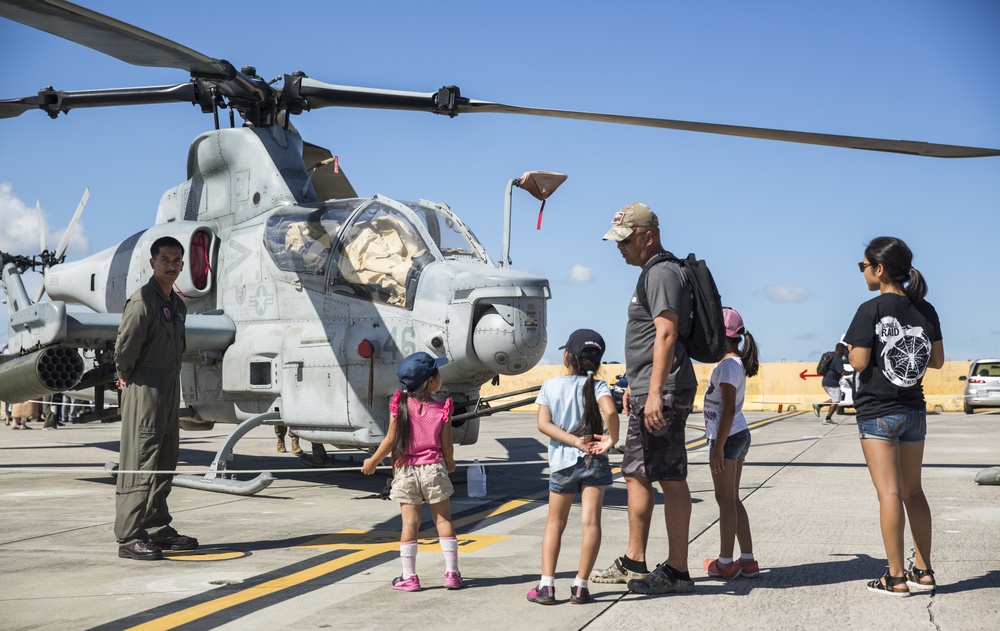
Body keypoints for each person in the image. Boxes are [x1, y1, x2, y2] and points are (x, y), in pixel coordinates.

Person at [593, 203, 697, 595]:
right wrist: (637, 391)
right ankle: (635, 560)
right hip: (649, 391)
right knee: (636, 472)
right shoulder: (651, 275)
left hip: (665, 391)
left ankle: (677, 571)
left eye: (625, 240)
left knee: (669, 477)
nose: (619, 247)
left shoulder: (663, 273)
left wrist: (653, 393)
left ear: (648, 236)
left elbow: (666, 335)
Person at [845, 236, 942, 597]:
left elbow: (858, 362)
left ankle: (896, 577)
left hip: (877, 413)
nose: (863, 272)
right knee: (913, 491)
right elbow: (937, 360)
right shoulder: (926, 309)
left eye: (863, 266)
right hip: (914, 410)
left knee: (888, 493)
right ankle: (925, 571)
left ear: (879, 268)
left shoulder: (869, 309)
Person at [113, 236, 199, 561]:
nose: (172, 265)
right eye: (166, 259)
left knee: (165, 459)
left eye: (177, 260)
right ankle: (129, 535)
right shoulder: (142, 301)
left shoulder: (177, 304)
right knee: (141, 458)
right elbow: (125, 349)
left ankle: (156, 527)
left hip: (168, 386)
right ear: (153, 263)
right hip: (145, 386)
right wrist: (126, 374)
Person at [526, 329, 620, 605]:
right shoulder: (599, 387)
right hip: (595, 459)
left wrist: (573, 442)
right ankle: (580, 586)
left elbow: (544, 424)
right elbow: (611, 413)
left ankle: (547, 586)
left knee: (555, 524)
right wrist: (611, 440)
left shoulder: (550, 386)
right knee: (591, 523)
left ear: (567, 356)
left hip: (562, 463)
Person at [361, 351, 463, 591]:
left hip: (405, 470)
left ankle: (409, 576)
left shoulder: (399, 404)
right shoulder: (442, 409)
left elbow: (390, 439)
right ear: (430, 381)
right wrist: (450, 463)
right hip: (434, 469)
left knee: (409, 524)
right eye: (437, 373)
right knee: (444, 520)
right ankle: (451, 574)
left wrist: (373, 461)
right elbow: (446, 444)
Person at [701, 308, 761, 580]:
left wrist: (717, 446)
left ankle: (725, 563)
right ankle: (747, 560)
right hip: (738, 434)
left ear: (721, 336)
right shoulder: (734, 363)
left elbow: (727, 411)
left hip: (727, 437)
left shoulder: (726, 365)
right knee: (733, 499)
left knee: (724, 500)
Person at [813, 343, 848, 424]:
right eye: (844, 349)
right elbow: (841, 372)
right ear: (840, 349)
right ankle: (827, 419)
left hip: (828, 382)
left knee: (835, 399)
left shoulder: (834, 358)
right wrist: (854, 372)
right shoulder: (838, 359)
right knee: (836, 400)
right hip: (832, 383)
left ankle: (819, 405)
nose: (845, 351)